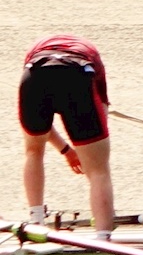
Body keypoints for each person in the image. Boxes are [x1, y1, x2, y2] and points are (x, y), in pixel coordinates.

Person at [19, 36, 114, 235]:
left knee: (33, 150)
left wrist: (66, 150)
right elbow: (101, 116)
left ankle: (36, 223)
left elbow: (41, 128)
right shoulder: (93, 56)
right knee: (99, 170)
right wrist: (88, 158)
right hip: (77, 75)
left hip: (35, 75)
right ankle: (103, 237)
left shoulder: (35, 51)